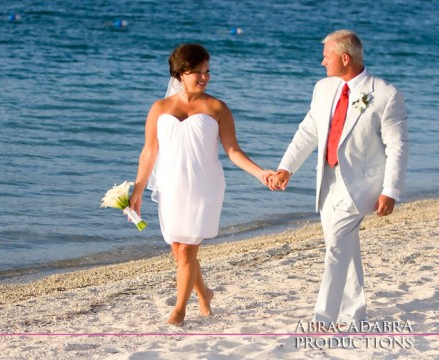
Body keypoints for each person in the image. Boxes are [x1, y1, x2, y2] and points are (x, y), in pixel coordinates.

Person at [268, 30, 408, 327]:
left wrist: (391, 190)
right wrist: (286, 168)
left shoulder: (385, 93)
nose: (322, 62)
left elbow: (397, 146)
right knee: (345, 245)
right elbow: (309, 130)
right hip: (328, 179)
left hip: (362, 184)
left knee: (336, 246)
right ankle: (355, 312)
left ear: (345, 58)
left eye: (326, 56)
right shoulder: (323, 88)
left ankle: (323, 316)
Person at [129, 43, 273, 326]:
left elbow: (233, 150)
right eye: (197, 72)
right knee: (179, 250)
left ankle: (178, 312)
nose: (204, 77)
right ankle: (205, 294)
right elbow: (149, 151)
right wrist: (138, 189)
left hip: (204, 185)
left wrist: (260, 173)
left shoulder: (217, 107)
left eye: (207, 71)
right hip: (171, 185)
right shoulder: (159, 108)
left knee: (186, 251)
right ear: (181, 73)